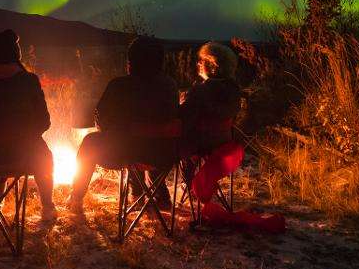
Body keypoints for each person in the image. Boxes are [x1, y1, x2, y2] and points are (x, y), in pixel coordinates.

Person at [68, 36, 178, 215]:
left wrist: (115, 131)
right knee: (138, 142)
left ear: (131, 61)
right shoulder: (170, 86)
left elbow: (102, 120)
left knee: (91, 142)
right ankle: (152, 195)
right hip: (162, 154)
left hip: (127, 152)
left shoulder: (119, 85)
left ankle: (76, 197)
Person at [0, 29, 56, 221]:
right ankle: (47, 206)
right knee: (43, 155)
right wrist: (24, 134)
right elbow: (44, 122)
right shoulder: (28, 81)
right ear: (17, 54)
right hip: (19, 154)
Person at [178, 42, 242, 183]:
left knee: (176, 140)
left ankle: (187, 184)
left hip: (199, 145)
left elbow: (183, 120)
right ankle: (192, 184)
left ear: (212, 64)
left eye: (201, 60)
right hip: (224, 142)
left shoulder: (198, 92)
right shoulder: (234, 91)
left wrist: (182, 101)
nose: (198, 64)